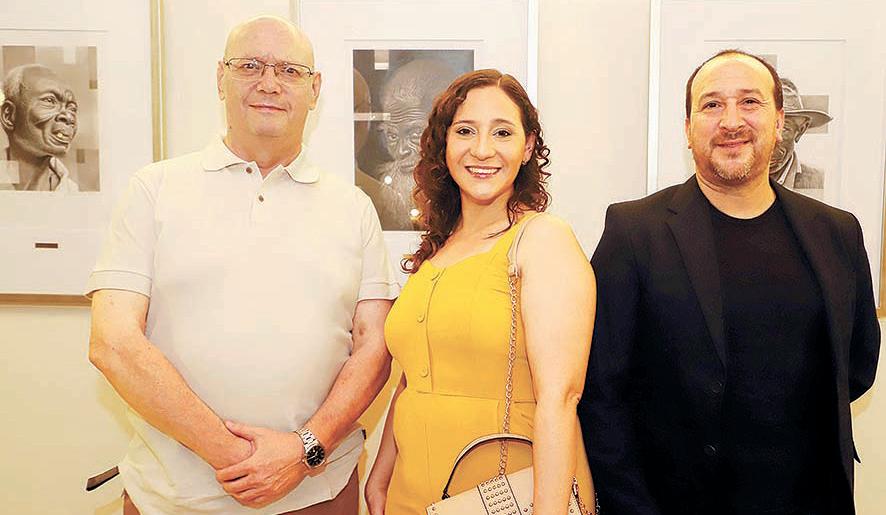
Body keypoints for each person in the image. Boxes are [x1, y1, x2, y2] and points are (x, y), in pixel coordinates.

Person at [87, 15, 399, 515]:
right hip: (173, 500)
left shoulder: (354, 208)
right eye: (250, 65)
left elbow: (375, 348)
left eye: (290, 71)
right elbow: (113, 343)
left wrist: (301, 451)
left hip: (319, 493)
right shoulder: (154, 190)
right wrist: (237, 459)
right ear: (220, 78)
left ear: (315, 89)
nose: (269, 83)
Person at [581, 49, 880, 515]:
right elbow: (601, 393)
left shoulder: (837, 232)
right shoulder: (634, 232)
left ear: (779, 121)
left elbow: (857, 366)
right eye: (712, 105)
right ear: (688, 128)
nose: (731, 121)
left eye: (750, 102)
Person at [365, 69, 597, 514]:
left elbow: (560, 399)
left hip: (507, 497)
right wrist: (380, 475)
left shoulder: (542, 240)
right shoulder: (438, 249)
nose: (482, 149)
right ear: (444, 144)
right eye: (465, 131)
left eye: (502, 132)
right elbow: (413, 378)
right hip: (412, 497)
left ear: (528, 147)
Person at [0, 64, 79, 192]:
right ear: (8, 115)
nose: (69, 117)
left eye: (72, 108)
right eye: (49, 100)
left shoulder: (72, 192)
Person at [769, 77, 832, 189]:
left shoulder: (819, 180)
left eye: (784, 129)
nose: (771, 141)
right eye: (764, 128)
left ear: (800, 130)